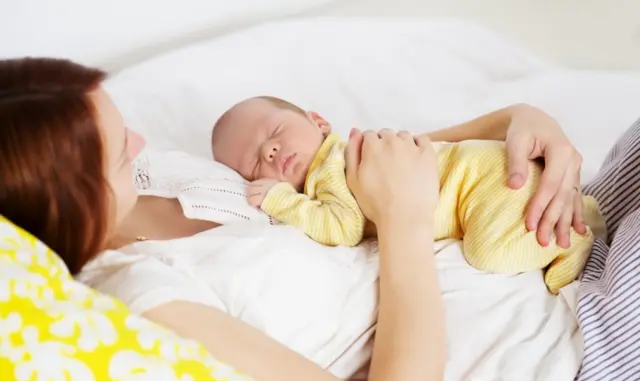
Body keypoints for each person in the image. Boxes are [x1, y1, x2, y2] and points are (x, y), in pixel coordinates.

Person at [1, 57, 603, 381]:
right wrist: (405, 222)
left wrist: (517, 120)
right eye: (113, 148)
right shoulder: (148, 297)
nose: (136, 138)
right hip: (565, 356)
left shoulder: (156, 173)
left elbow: (364, 162)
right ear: (68, 198)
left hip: (545, 230)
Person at [211, 95, 606, 292]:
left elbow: (344, 228)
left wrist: (281, 199)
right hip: (482, 170)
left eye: (276, 132)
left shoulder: (332, 166)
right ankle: (578, 215)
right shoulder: (345, 162)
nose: (270, 151)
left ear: (319, 122)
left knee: (490, 254)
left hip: (482, 179)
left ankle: (573, 238)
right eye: (253, 163)